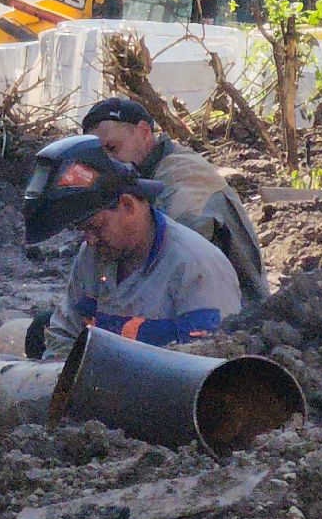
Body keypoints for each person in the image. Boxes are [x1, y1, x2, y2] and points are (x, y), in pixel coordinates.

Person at [22, 135, 242, 361]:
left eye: (95, 226)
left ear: (128, 205)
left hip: (167, 389)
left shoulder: (195, 266)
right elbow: (64, 334)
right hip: (104, 383)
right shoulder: (93, 255)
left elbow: (212, 366)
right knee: (39, 331)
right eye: (82, 230)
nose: (90, 240)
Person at [81, 97, 270, 309]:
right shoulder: (146, 171)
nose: (107, 164)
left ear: (144, 133)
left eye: (113, 148)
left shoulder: (183, 177)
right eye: (99, 157)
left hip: (232, 315)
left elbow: (173, 261)